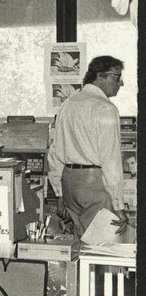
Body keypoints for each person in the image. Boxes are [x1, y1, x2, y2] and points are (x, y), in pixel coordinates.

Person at [47, 55, 128, 238]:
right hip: (94, 184)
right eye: (116, 77)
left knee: (79, 240)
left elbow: (55, 153)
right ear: (99, 76)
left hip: (69, 181)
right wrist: (118, 205)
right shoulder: (105, 108)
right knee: (102, 246)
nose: (120, 83)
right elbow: (111, 160)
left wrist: (60, 193)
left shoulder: (68, 104)